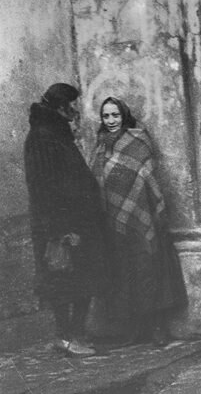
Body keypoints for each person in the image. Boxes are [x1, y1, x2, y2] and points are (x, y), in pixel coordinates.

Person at [90, 96, 187, 346]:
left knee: (148, 270)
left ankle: (157, 327)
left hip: (142, 218)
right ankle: (133, 331)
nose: (111, 120)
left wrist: (151, 211)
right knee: (123, 274)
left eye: (115, 115)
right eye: (106, 116)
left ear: (124, 115)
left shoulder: (138, 142)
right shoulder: (100, 145)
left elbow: (148, 179)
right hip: (113, 221)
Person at [24, 82, 107, 357]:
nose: (76, 109)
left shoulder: (55, 133)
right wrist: (61, 230)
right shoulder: (43, 137)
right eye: (72, 105)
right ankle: (68, 337)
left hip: (75, 221)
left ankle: (72, 334)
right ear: (60, 107)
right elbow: (45, 188)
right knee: (64, 279)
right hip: (64, 224)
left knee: (77, 278)